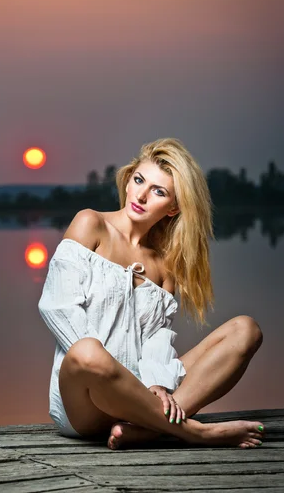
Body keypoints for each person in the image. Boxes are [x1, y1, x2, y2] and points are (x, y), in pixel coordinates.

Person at [38, 138, 264, 449]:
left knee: (245, 330)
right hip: (85, 403)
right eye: (139, 180)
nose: (142, 195)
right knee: (86, 352)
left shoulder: (164, 265)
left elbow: (158, 337)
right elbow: (57, 306)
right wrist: (120, 376)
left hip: (143, 398)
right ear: (128, 180)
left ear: (173, 208)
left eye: (158, 191)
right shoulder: (91, 224)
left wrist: (157, 383)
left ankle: (149, 429)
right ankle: (196, 432)